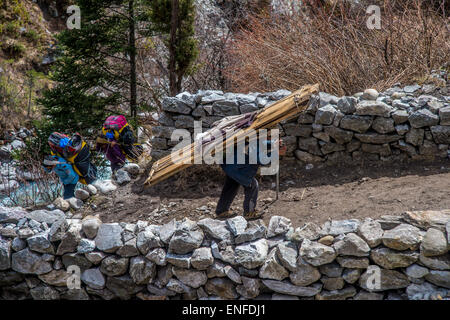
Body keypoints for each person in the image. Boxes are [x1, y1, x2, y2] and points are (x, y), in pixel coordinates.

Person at [215, 135, 287, 220]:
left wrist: (273, 144)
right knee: (253, 185)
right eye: (270, 136)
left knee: (231, 185)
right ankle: (249, 212)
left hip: (229, 165)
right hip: (238, 169)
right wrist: (275, 153)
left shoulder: (254, 137)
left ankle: (221, 210)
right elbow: (262, 160)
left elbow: (262, 143)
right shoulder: (255, 142)